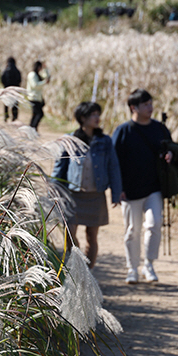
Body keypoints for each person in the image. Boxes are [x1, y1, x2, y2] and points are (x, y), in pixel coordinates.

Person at [112, 89, 173, 284]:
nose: (150, 107)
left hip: (154, 187)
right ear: (133, 107)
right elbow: (114, 162)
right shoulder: (123, 131)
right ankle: (132, 269)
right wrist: (117, 188)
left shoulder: (160, 129)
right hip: (130, 190)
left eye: (150, 103)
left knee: (154, 225)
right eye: (146, 104)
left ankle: (149, 264)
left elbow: (172, 149)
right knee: (132, 230)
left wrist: (170, 155)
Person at [52, 102, 122, 268]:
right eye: (93, 115)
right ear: (82, 118)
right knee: (69, 233)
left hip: (95, 196)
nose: (97, 118)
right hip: (73, 195)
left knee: (92, 236)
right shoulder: (70, 140)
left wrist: (116, 193)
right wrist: (53, 192)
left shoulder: (105, 141)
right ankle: (77, 265)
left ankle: (88, 272)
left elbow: (113, 167)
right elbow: (59, 168)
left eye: (98, 114)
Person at [26, 61, 50, 130]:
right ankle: (33, 128)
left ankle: (31, 128)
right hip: (33, 97)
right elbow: (35, 85)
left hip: (37, 97)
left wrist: (45, 69)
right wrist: (44, 82)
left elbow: (46, 77)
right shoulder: (32, 75)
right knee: (39, 114)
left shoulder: (36, 74)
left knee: (35, 114)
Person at [0, 57, 21, 121]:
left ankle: (6, 115)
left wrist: (5, 85)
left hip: (7, 88)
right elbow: (19, 79)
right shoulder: (17, 70)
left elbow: (2, 79)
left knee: (6, 103)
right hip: (15, 89)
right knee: (15, 103)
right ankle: (14, 116)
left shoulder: (5, 70)